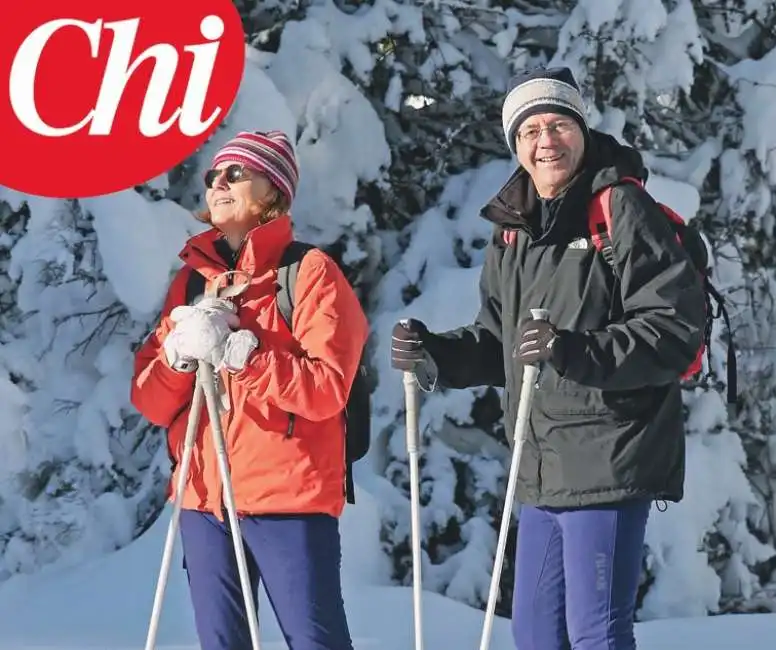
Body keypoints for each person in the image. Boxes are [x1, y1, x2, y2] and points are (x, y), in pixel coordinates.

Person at [390, 67, 707, 650]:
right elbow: (498, 343)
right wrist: (435, 353)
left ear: (581, 130)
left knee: (596, 636)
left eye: (559, 124)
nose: (546, 140)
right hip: (538, 468)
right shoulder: (515, 230)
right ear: (516, 145)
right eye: (530, 130)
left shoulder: (619, 208)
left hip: (608, 454)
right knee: (535, 637)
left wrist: (573, 350)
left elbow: (675, 329)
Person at [131, 130, 368, 650]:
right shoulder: (192, 284)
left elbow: (327, 389)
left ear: (273, 192)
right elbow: (150, 402)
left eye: (236, 173)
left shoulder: (309, 273)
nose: (219, 182)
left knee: (315, 641)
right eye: (214, 175)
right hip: (204, 501)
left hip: (288, 500)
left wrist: (245, 356)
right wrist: (177, 357)